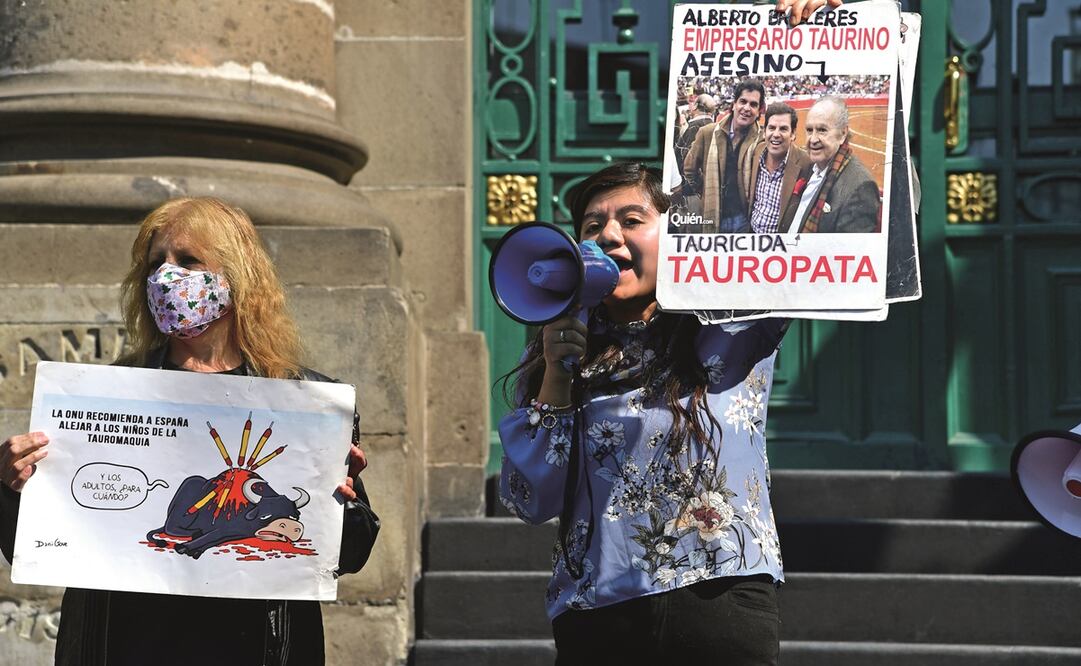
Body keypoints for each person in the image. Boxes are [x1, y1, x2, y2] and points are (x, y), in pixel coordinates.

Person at [0, 197, 379, 666]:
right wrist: (16, 486)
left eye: (188, 261)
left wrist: (347, 501)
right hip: (125, 643)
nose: (166, 276)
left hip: (251, 647)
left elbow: (347, 555)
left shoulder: (306, 401)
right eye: (156, 263)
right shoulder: (104, 396)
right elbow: (34, 546)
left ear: (236, 277)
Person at [498, 163, 788, 664]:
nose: (608, 235)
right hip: (597, 614)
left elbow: (828, 248)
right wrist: (556, 376)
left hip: (717, 596)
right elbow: (529, 500)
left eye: (632, 220)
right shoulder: (559, 355)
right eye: (592, 227)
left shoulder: (733, 325)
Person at [778, 95, 881, 233]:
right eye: (809, 130)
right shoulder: (810, 166)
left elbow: (850, 252)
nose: (813, 139)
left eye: (822, 130)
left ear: (843, 134)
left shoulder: (860, 186)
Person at [682, 79, 765, 233]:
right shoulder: (707, 133)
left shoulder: (763, 139)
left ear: (759, 110)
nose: (747, 108)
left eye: (753, 104)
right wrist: (704, 190)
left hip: (745, 219)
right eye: (743, 102)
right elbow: (689, 168)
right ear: (734, 104)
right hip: (713, 213)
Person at [747, 102, 812, 234]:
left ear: (793, 134)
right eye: (771, 128)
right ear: (764, 132)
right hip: (751, 237)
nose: (776, 134)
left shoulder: (807, 163)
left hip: (781, 245)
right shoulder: (756, 152)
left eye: (783, 129)